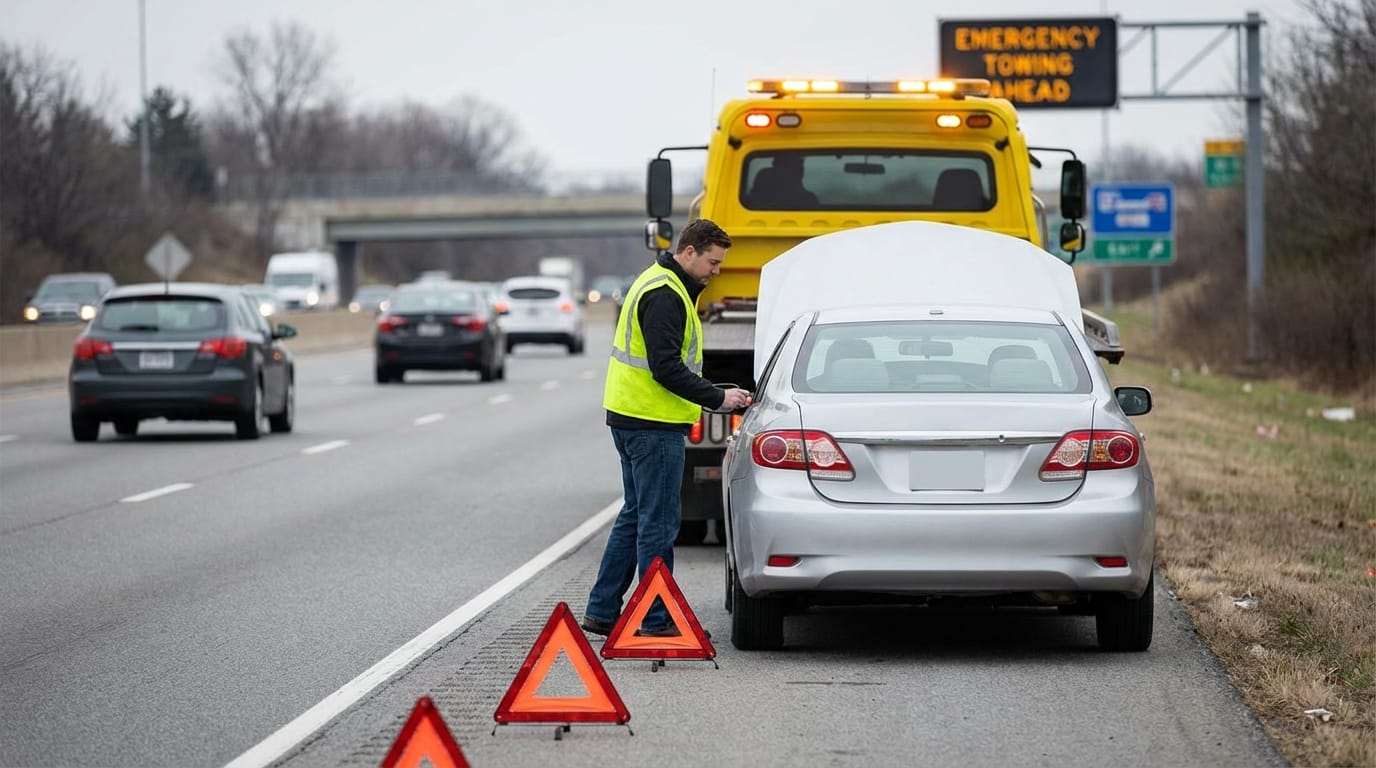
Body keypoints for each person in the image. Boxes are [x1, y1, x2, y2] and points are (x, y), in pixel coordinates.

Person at [581, 218, 752, 638]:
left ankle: (603, 610)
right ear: (689, 252)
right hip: (652, 423)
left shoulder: (661, 282)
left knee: (636, 516)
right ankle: (656, 620)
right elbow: (666, 367)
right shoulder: (665, 295)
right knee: (657, 525)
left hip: (634, 417)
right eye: (713, 262)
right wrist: (717, 398)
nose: (717, 271)